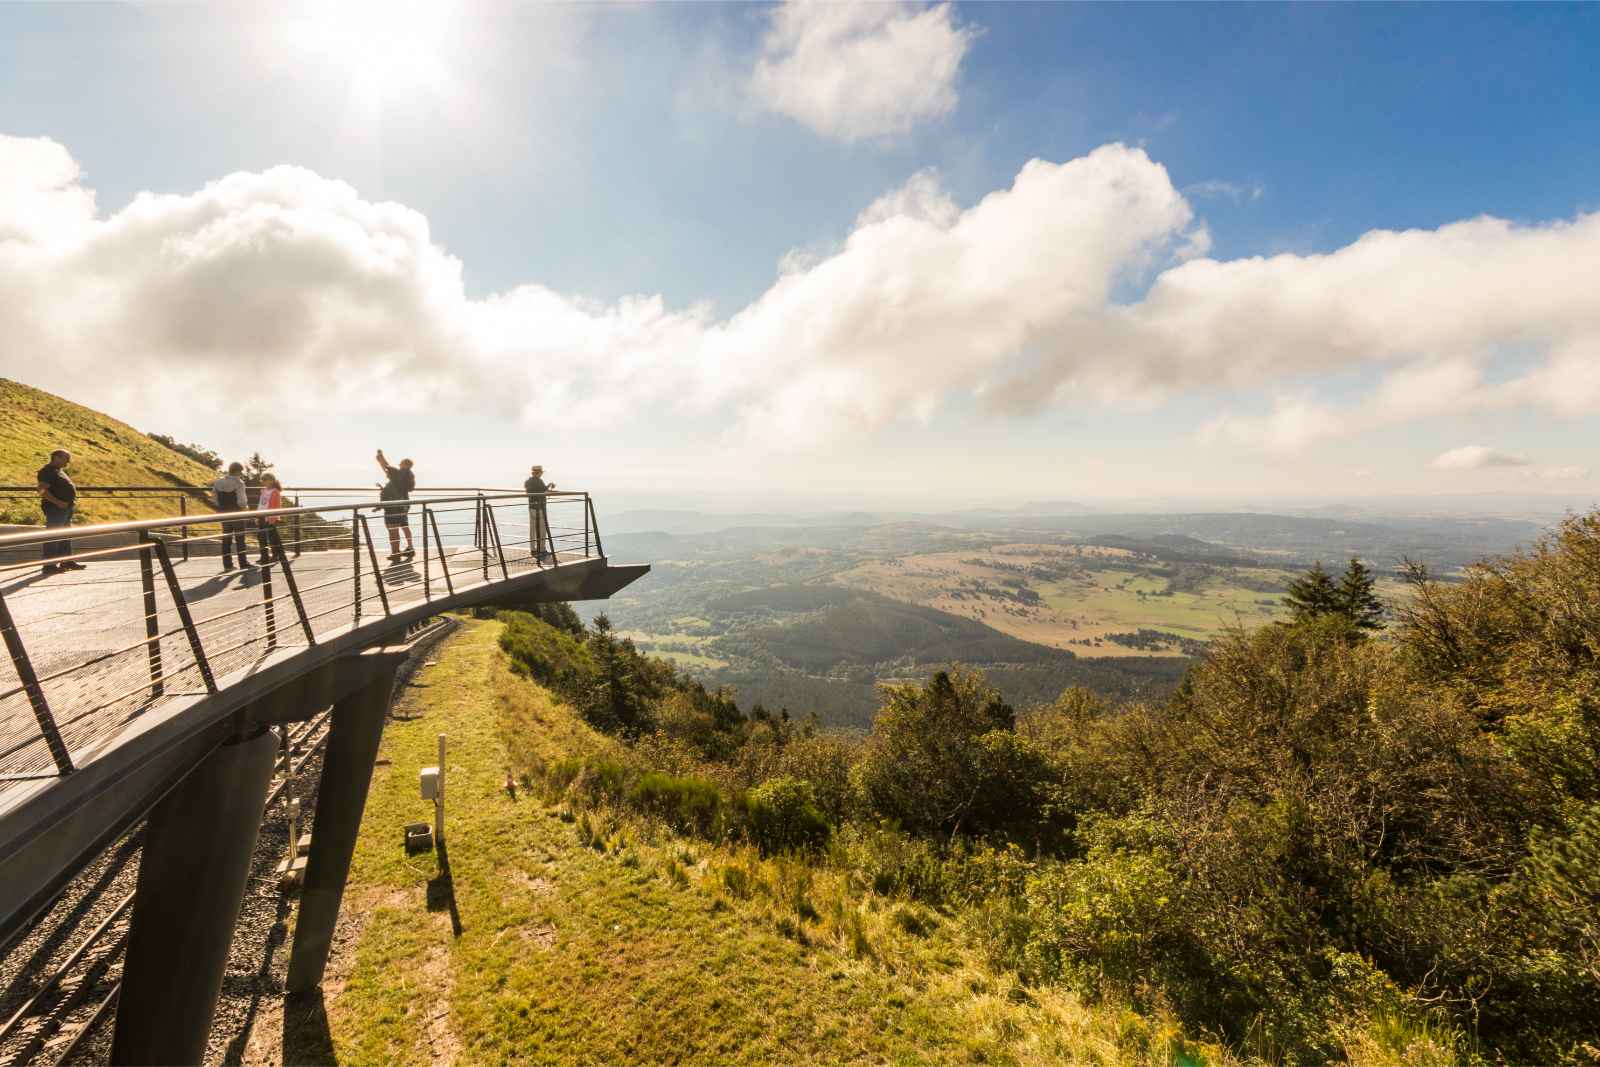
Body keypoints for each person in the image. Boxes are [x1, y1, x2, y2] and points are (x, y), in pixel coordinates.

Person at [36, 449, 85, 574]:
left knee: (65, 535)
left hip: (65, 508)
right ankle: (49, 566)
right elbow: (41, 490)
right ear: (56, 457)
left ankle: (66, 561)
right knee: (53, 535)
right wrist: (58, 502)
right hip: (56, 508)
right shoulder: (47, 471)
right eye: (66, 458)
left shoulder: (58, 471)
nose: (68, 462)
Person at [212, 462, 253, 571]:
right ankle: (243, 563)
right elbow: (242, 502)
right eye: (241, 471)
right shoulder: (239, 483)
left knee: (226, 539)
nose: (241, 474)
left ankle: (227, 565)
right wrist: (246, 510)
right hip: (237, 514)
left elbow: (214, 499)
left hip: (224, 514)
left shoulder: (218, 482)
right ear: (237, 471)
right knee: (240, 539)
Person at [376, 449, 416, 562]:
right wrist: (384, 489)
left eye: (400, 464)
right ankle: (405, 549)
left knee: (393, 530)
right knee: (399, 527)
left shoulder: (399, 475)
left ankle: (395, 553)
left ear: (404, 465)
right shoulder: (407, 476)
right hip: (403, 505)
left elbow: (386, 466)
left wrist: (380, 457)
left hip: (393, 507)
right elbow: (398, 488)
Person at [524, 464, 556, 562]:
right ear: (539, 473)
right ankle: (541, 549)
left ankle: (533, 549)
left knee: (532, 528)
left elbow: (531, 491)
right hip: (540, 508)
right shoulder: (539, 481)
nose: (542, 474)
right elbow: (544, 490)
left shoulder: (528, 481)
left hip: (531, 507)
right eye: (541, 472)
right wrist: (550, 485)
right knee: (542, 529)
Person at [254, 473, 285, 564]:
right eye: (262, 480)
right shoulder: (263, 491)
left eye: (264, 480)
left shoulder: (275, 492)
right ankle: (264, 556)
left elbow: (277, 507)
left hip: (270, 518)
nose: (263, 482)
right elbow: (260, 504)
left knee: (272, 538)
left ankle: (275, 556)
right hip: (261, 516)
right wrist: (257, 516)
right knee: (261, 537)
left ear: (271, 481)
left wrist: (272, 518)